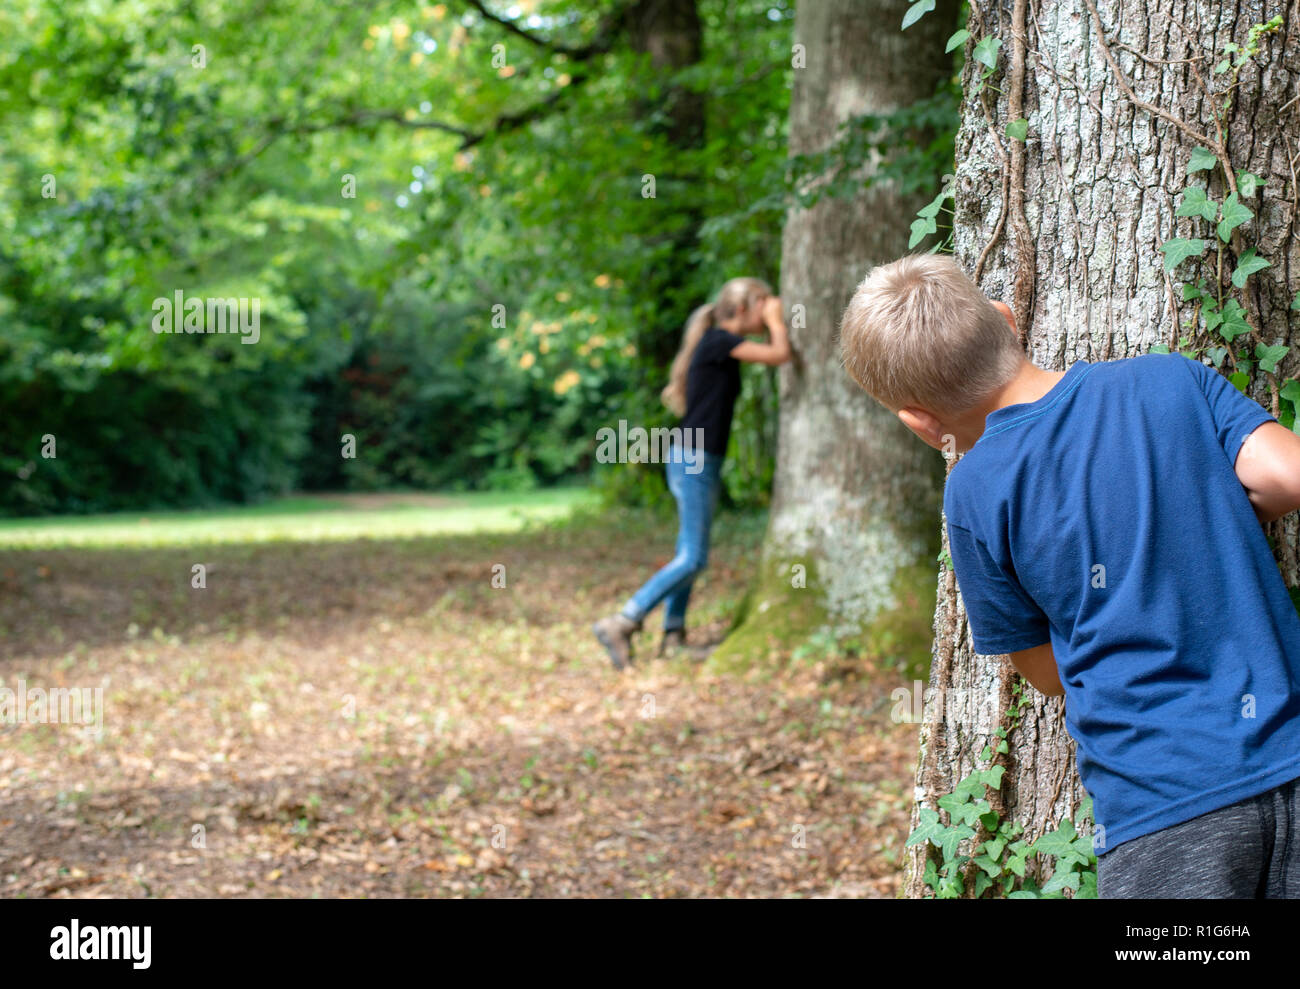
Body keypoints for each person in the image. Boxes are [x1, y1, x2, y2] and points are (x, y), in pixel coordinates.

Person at [839, 251, 1300, 899]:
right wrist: (1216, 509)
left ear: (918, 418)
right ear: (1005, 318)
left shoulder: (973, 493)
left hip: (1162, 808)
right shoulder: (1169, 381)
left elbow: (1048, 675)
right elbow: (1287, 475)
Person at [592, 277, 791, 669]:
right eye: (762, 303)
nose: (768, 309)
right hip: (693, 457)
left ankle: (673, 635)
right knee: (694, 558)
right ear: (742, 308)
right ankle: (623, 621)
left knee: (688, 553)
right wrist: (778, 321)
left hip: (695, 457)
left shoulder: (717, 343)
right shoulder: (719, 340)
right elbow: (779, 355)